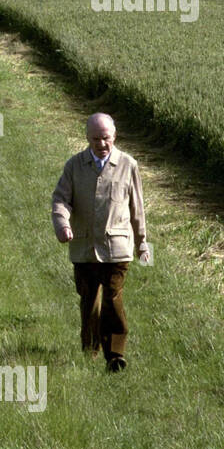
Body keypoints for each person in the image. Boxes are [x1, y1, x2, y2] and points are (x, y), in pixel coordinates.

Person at [51, 113, 150, 371]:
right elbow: (61, 200)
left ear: (114, 136)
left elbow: (136, 209)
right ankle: (90, 350)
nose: (101, 144)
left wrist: (142, 244)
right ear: (87, 138)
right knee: (89, 301)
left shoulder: (128, 165)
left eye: (106, 138)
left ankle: (116, 355)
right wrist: (62, 225)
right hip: (84, 248)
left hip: (117, 248)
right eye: (95, 138)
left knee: (113, 297)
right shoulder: (74, 166)